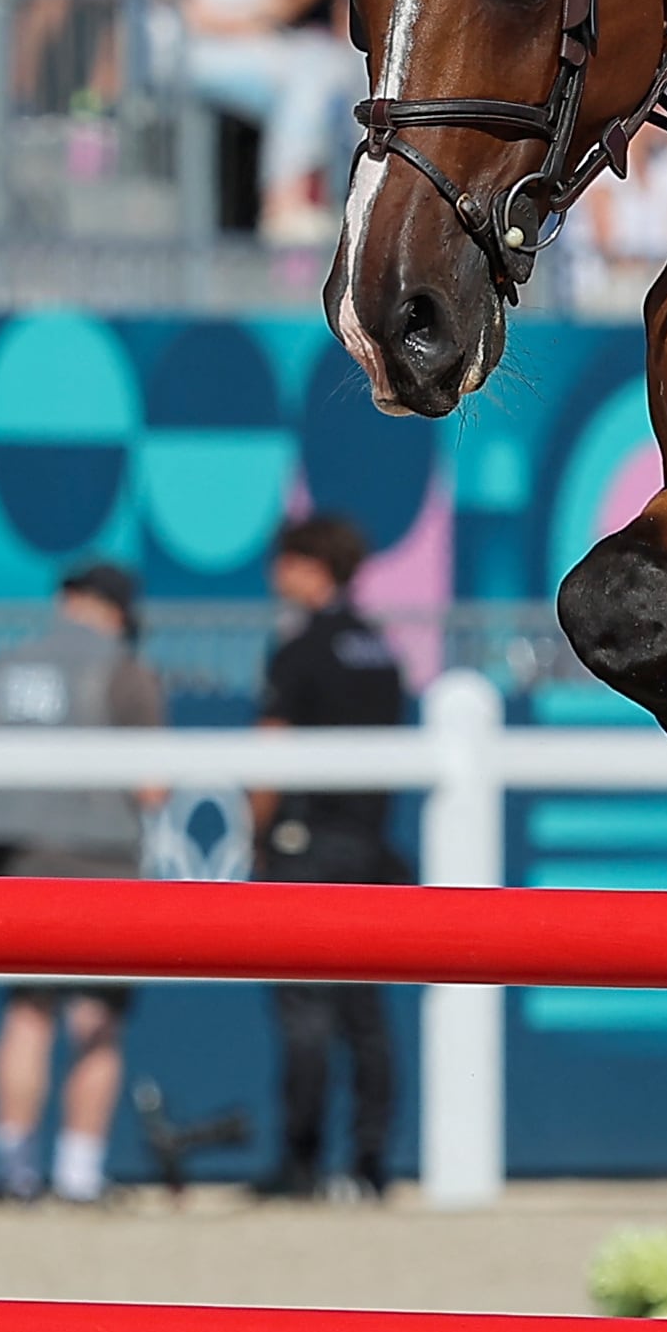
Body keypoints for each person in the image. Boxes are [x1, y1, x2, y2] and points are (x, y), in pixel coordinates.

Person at [0, 559, 167, 1201]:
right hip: (102, 856)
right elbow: (152, 786)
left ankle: (14, 1170)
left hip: (19, 854)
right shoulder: (127, 669)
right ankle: (79, 1175)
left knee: (28, 1013)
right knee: (98, 1017)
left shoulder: (7, 665)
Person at [251, 508, 406, 1199]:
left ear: (310, 568)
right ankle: (369, 1164)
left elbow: (270, 757)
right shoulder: (381, 650)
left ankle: (301, 1164)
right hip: (368, 844)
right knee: (365, 1013)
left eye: (284, 561)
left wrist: (257, 832)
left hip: (306, 843)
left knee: (306, 1009)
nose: (274, 574)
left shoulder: (299, 649)